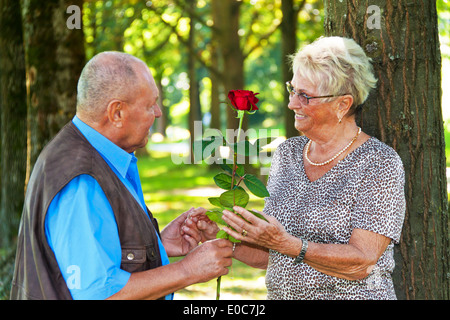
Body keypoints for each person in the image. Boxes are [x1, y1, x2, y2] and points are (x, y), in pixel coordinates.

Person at [191, 36, 406, 300]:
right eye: (292, 90)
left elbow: (363, 262)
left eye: (305, 96)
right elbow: (270, 256)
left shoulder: (379, 163)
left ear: (343, 104)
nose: (292, 103)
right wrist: (228, 236)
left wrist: (287, 244)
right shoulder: (287, 153)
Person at [10, 51, 232, 300]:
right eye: (150, 105)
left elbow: (96, 255)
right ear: (116, 113)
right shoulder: (81, 179)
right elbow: (99, 295)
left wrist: (155, 245)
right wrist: (187, 271)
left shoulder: (99, 156)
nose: (158, 113)